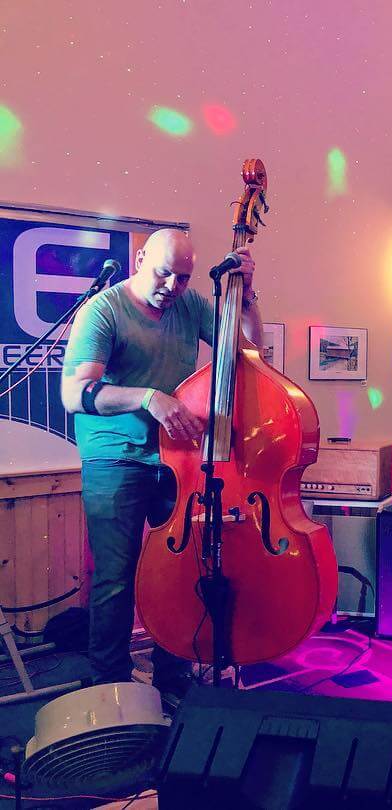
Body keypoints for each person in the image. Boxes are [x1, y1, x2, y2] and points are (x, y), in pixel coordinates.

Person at [61, 228, 262, 697]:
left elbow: (248, 353)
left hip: (177, 459)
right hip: (116, 459)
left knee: (183, 568)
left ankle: (173, 675)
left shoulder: (189, 305)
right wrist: (149, 397)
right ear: (140, 260)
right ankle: (109, 684)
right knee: (116, 576)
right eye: (164, 273)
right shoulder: (103, 311)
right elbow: (74, 394)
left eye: (183, 278)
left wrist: (247, 297)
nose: (173, 286)